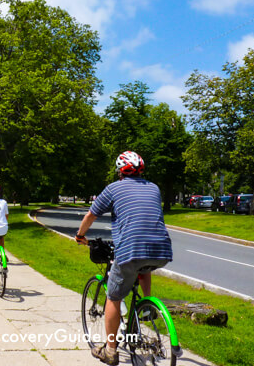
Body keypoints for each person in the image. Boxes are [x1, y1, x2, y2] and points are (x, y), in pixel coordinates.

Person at [75, 151, 173, 366]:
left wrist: (80, 235)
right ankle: (147, 307)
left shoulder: (114, 188)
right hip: (162, 250)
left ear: (120, 170)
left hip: (131, 250)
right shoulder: (154, 187)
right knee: (143, 268)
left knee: (114, 296)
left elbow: (91, 215)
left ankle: (110, 351)